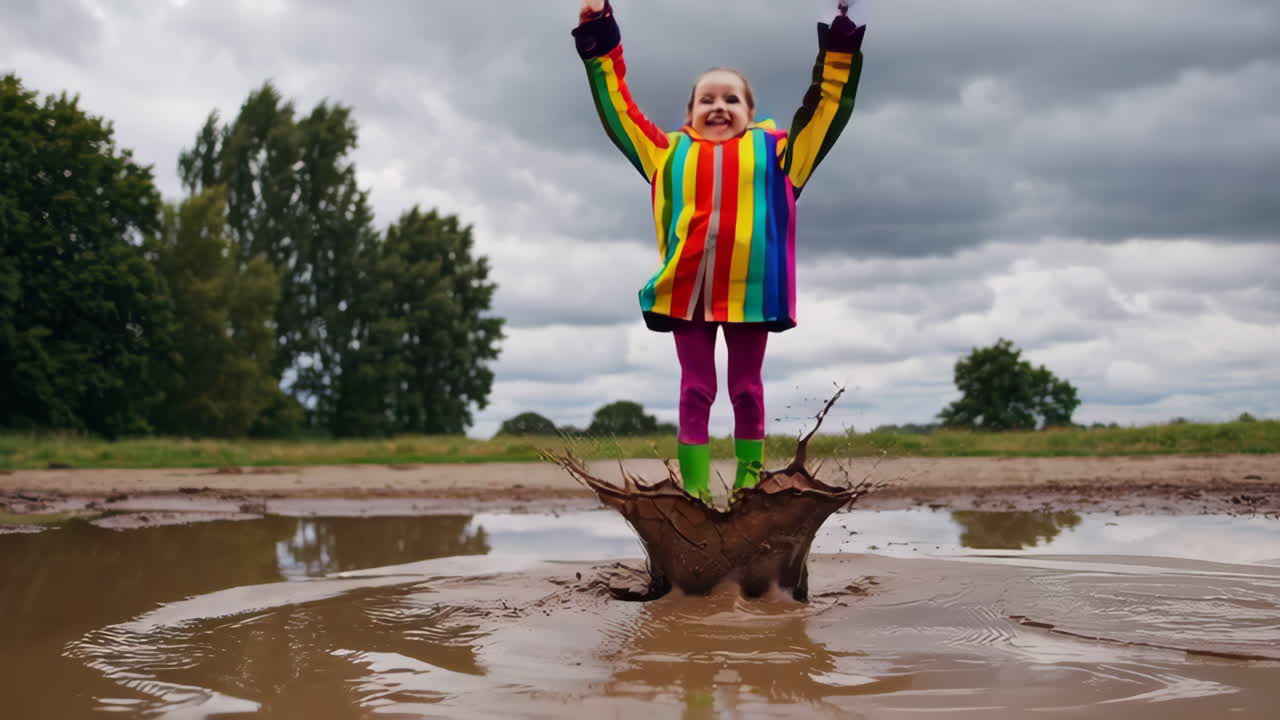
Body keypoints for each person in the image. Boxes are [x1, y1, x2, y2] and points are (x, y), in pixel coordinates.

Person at [572, 0, 866, 503]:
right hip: (687, 292)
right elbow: (616, 105)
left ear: (750, 114)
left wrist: (837, 54)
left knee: (747, 390)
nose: (718, 107)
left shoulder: (781, 156)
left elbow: (824, 111)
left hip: (751, 293)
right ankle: (697, 495)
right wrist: (600, 35)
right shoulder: (665, 154)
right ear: (688, 114)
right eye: (707, 99)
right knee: (696, 389)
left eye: (732, 99)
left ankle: (750, 488)